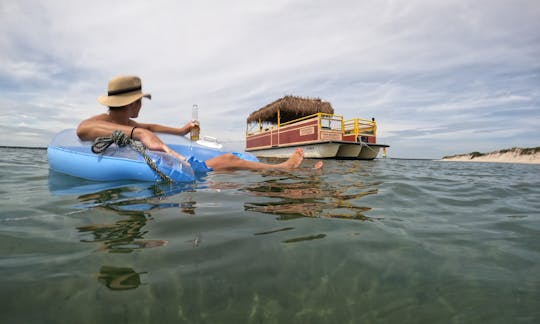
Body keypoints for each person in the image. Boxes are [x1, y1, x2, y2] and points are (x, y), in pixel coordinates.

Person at [77, 75, 323, 172]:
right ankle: (283, 169)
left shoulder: (122, 120)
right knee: (229, 161)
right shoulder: (103, 122)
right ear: (135, 103)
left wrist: (180, 130)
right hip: (163, 169)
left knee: (230, 172)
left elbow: (152, 128)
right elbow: (83, 129)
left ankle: (289, 174)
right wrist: (138, 132)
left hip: (164, 166)